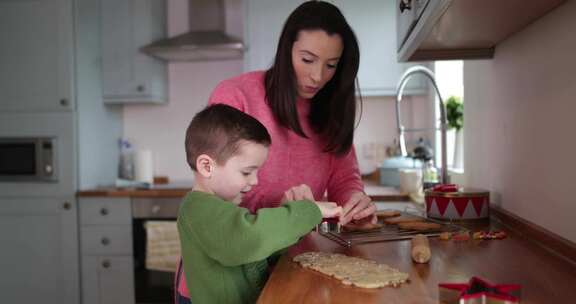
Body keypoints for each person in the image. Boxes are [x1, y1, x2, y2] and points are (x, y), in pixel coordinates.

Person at [176, 0, 377, 302]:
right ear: (286, 51)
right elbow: (220, 205)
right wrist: (294, 212)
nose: (318, 76)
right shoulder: (236, 95)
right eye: (307, 59)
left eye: (331, 65)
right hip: (222, 284)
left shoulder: (333, 109)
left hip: (287, 270)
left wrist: (353, 204)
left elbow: (344, 181)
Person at [177, 104, 342, 304]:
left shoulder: (223, 208)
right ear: (206, 166)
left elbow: (257, 256)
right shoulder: (197, 209)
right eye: (247, 172)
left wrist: (288, 223)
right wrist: (306, 211)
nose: (255, 181)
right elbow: (249, 240)